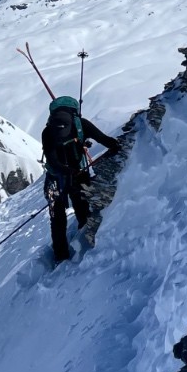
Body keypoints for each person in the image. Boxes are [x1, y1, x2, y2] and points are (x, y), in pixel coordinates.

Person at [40, 94, 120, 262]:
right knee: (83, 209)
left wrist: (65, 170)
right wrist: (116, 146)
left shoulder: (48, 131)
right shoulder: (81, 124)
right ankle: (86, 242)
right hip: (79, 174)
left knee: (57, 219)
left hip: (56, 179)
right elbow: (104, 139)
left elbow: (52, 160)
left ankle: (60, 256)